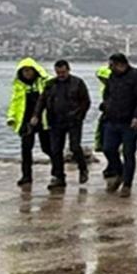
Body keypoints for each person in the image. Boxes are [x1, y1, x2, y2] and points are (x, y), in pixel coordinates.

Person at [100, 52, 137, 196]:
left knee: (128, 152)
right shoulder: (112, 77)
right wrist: (106, 107)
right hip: (112, 119)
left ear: (121, 64)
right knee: (108, 149)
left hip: (130, 122)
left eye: (112, 65)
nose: (110, 68)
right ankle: (119, 172)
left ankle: (127, 184)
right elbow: (107, 94)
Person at [36, 59, 92, 189]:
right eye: (58, 73)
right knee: (55, 150)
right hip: (55, 121)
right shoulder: (50, 84)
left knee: (74, 147)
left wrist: (79, 116)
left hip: (73, 121)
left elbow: (86, 101)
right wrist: (36, 115)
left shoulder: (78, 83)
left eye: (63, 72)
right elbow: (41, 101)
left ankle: (83, 168)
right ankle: (58, 177)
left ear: (68, 70)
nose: (61, 75)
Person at [7, 57, 50, 186]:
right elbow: (14, 102)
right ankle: (26, 176)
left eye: (29, 70)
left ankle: (58, 171)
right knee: (26, 149)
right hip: (26, 121)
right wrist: (11, 117)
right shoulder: (19, 86)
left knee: (47, 148)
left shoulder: (45, 82)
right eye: (24, 71)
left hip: (43, 120)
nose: (27, 73)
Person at [94, 63, 112, 152]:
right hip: (106, 110)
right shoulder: (105, 86)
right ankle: (99, 146)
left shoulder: (115, 85)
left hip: (114, 111)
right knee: (101, 128)